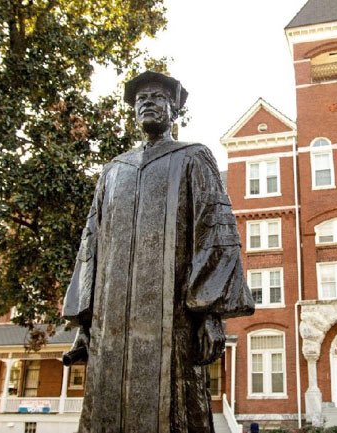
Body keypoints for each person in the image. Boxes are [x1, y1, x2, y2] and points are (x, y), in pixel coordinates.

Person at [62, 71, 254, 433]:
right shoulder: (112, 172)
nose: (146, 103)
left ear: (174, 109)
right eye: (139, 100)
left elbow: (213, 233)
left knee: (175, 413)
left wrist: (210, 315)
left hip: (174, 322)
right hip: (111, 325)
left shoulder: (193, 158)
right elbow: (92, 244)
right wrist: (84, 323)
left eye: (156, 97)